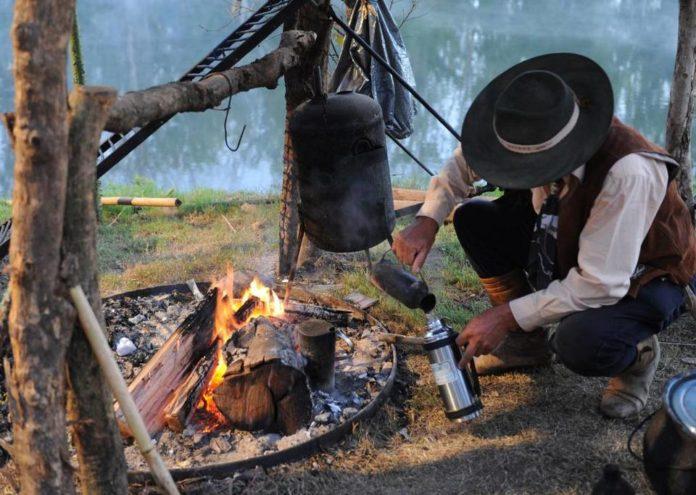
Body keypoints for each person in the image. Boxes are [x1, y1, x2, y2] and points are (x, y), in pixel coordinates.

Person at [392, 53, 696, 418]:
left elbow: (600, 283)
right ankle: (526, 344)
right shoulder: (524, 128)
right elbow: (464, 162)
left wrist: (504, 316)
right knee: (474, 218)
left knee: (580, 341)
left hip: (641, 273)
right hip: (565, 237)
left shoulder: (627, 171)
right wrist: (428, 218)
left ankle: (638, 357)